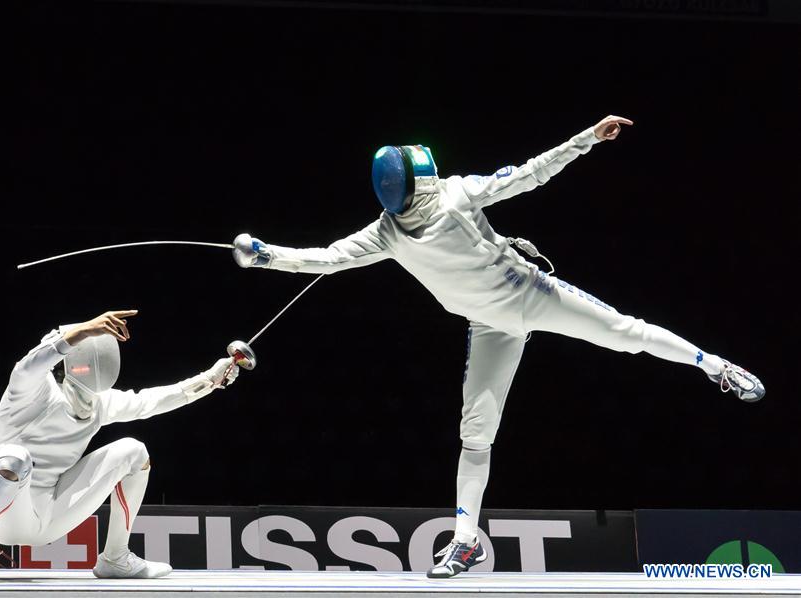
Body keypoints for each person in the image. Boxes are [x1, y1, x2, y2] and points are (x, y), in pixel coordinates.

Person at [231, 115, 765, 578]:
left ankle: (714, 365)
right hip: (489, 324)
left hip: (532, 293)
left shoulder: (459, 193)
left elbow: (531, 173)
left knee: (626, 334)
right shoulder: (387, 232)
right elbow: (327, 258)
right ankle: (465, 542)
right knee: (475, 433)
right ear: (410, 184)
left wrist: (587, 139)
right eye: (424, 173)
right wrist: (266, 256)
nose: (435, 178)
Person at [0, 309, 240, 582]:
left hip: (50, 517)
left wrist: (211, 379)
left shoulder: (100, 403)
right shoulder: (29, 390)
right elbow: (30, 364)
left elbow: (153, 401)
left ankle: (115, 558)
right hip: (1, 516)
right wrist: (85, 330)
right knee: (15, 457)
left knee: (134, 451)